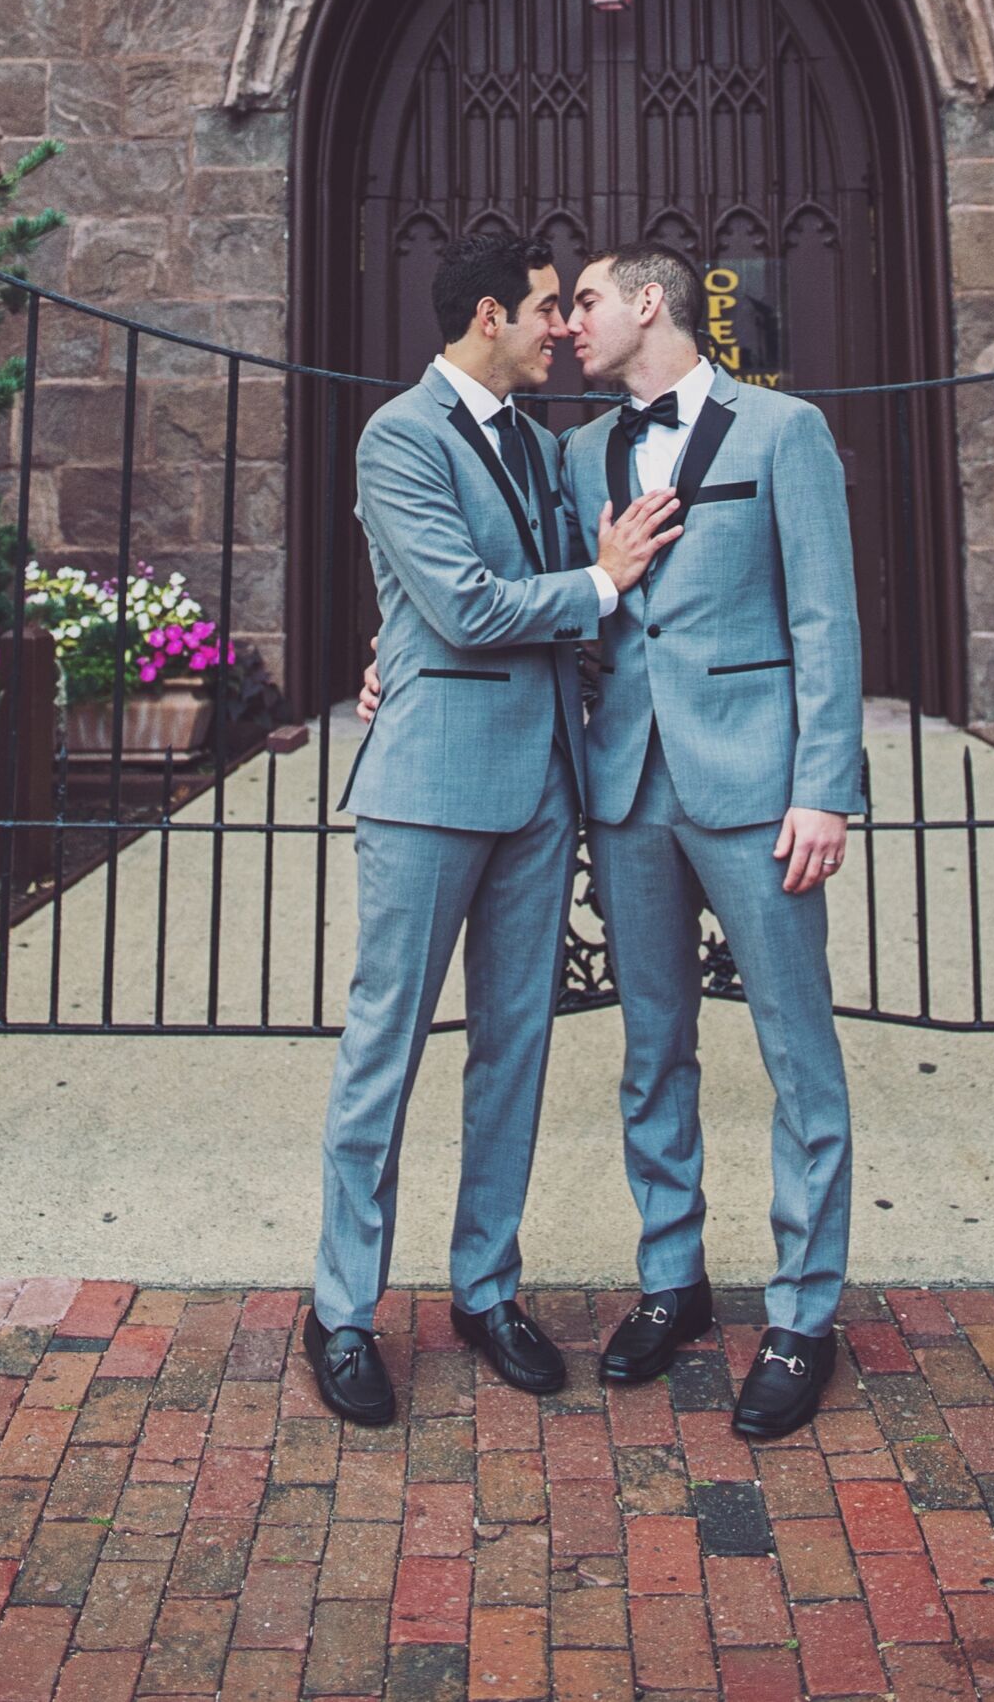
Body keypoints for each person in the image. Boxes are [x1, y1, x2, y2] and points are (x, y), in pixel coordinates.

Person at [306, 231, 681, 1427]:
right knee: (386, 1049)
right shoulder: (397, 436)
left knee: (512, 1051)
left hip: (541, 786)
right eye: (540, 310)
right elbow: (462, 606)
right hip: (428, 785)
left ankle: (485, 1290)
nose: (561, 329)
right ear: (484, 316)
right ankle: (343, 1313)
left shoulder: (542, 445)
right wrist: (601, 582)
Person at [563, 244, 863, 1442]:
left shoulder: (784, 431)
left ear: (649, 303)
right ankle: (671, 1281)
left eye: (584, 300)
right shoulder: (583, 450)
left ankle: (800, 1314)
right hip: (627, 785)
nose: (567, 323)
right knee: (651, 1048)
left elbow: (824, 617)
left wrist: (823, 788)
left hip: (754, 790)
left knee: (799, 1058)